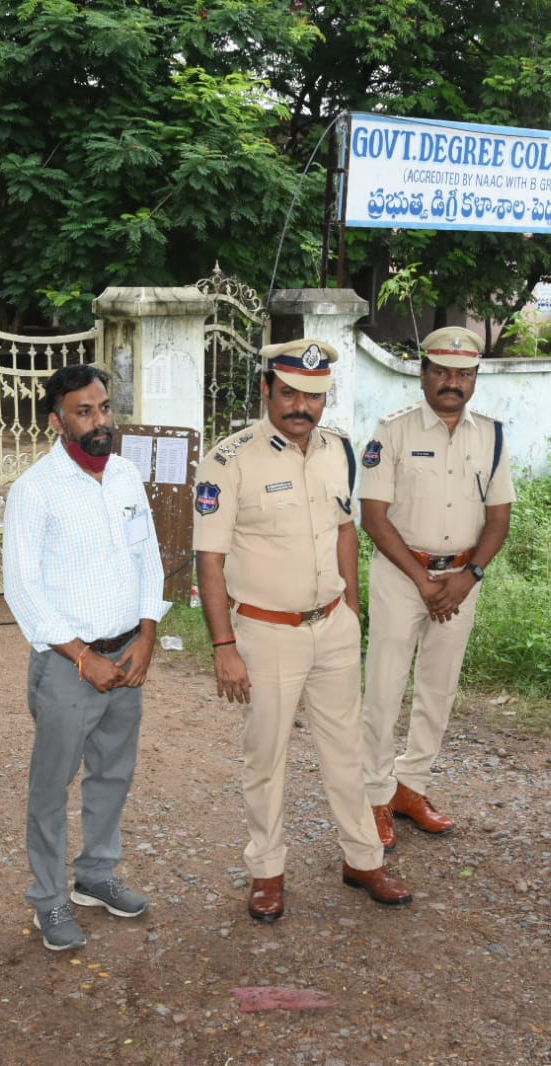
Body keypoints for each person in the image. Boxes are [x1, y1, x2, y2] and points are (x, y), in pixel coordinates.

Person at [194, 338, 411, 923]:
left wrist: (352, 609)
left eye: (313, 396)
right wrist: (224, 646)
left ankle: (363, 859)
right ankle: (267, 872)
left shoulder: (339, 449)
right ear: (266, 390)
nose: (301, 406)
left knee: (347, 749)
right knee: (266, 758)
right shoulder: (229, 459)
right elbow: (210, 559)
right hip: (266, 634)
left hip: (332, 626)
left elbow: (345, 529)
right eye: (289, 393)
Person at [1, 363, 168, 951]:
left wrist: (147, 635)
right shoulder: (35, 490)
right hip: (68, 667)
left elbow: (149, 557)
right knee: (52, 786)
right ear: (57, 420)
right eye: (84, 412)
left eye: (104, 408)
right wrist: (80, 656)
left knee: (113, 772)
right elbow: (22, 589)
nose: (100, 422)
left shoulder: (124, 475)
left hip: (126, 657)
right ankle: (49, 898)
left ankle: (96, 875)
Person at [359, 327, 514, 848]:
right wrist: (421, 578)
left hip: (461, 582)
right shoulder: (392, 431)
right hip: (402, 576)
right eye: (442, 371)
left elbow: (499, 518)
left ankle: (412, 786)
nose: (453, 382)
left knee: (438, 689)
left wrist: (470, 576)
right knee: (384, 688)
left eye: (463, 374)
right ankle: (374, 796)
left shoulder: (491, 436)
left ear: (475, 379)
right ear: (423, 374)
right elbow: (373, 516)